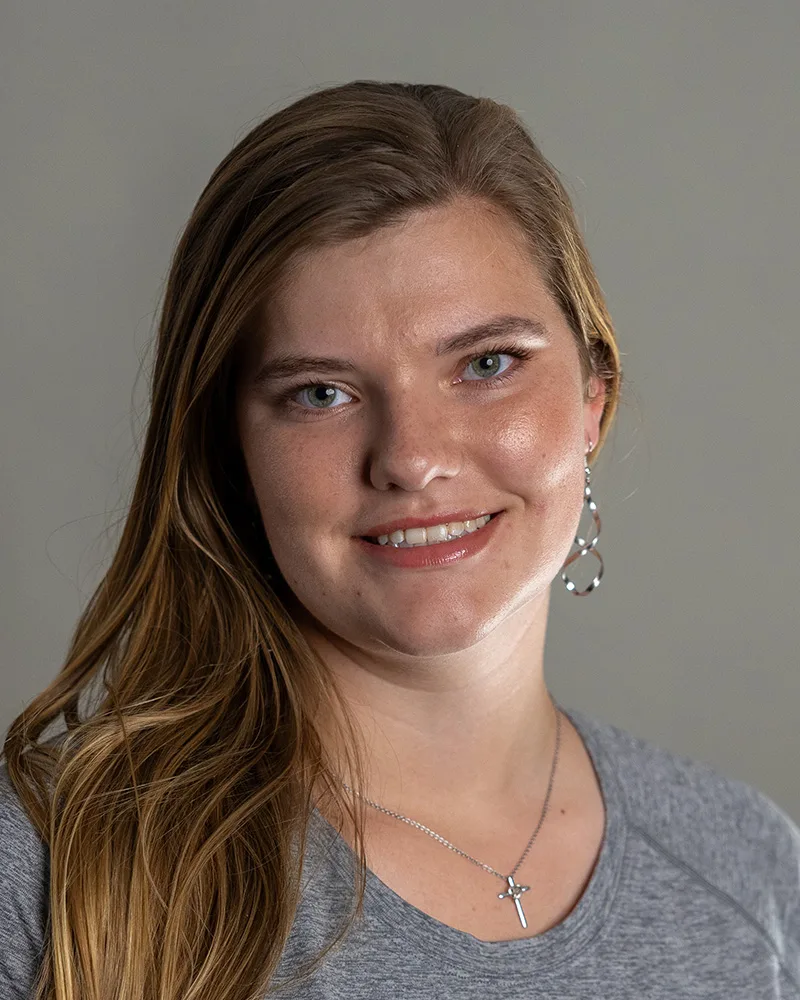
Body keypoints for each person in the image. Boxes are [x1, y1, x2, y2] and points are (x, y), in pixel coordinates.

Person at [1, 80, 798, 1000]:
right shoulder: (53, 870)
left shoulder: (748, 873)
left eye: (487, 364)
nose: (411, 458)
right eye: (320, 393)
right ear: (233, 452)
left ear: (593, 399)